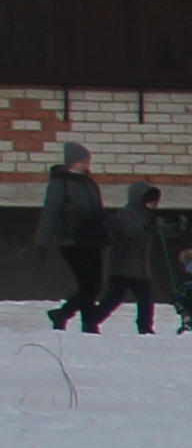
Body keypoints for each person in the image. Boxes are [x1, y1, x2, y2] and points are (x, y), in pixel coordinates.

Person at [34, 138, 105, 332]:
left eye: (87, 160)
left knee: (95, 284)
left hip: (91, 237)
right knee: (87, 283)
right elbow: (49, 213)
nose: (86, 163)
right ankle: (89, 323)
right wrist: (41, 243)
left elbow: (98, 209)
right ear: (72, 161)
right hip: (70, 239)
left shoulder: (90, 183)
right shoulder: (60, 183)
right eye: (82, 160)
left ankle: (63, 314)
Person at [108, 175, 166, 335]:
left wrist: (176, 228)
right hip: (123, 266)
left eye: (154, 202)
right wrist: (148, 225)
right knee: (113, 299)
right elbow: (131, 231)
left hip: (141, 268)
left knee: (147, 299)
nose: (152, 205)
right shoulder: (126, 214)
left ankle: (145, 327)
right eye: (149, 201)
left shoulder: (148, 217)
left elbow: (159, 232)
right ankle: (92, 320)